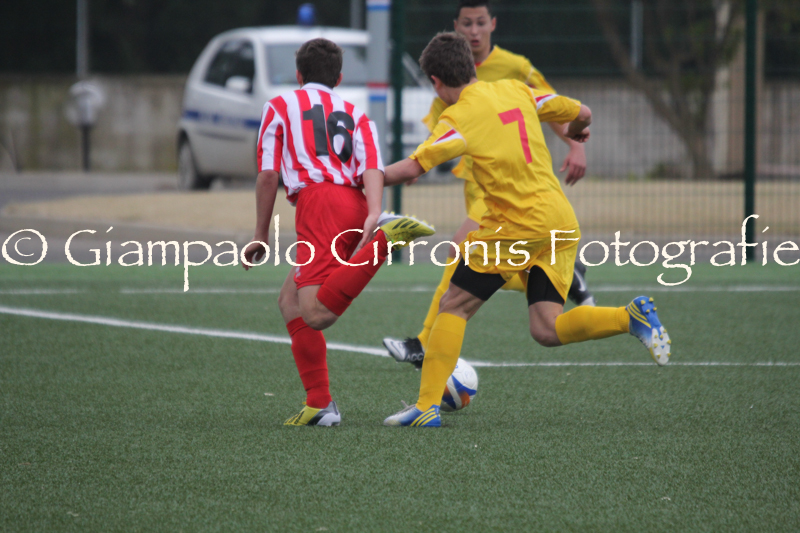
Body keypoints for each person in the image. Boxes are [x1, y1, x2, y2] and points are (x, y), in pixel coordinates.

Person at [381, 33, 671, 428]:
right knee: (546, 328)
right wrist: (577, 131)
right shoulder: (516, 90)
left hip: (518, 226)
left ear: (435, 81)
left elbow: (412, 167)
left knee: (453, 305)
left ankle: (426, 407)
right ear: (470, 64)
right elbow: (583, 111)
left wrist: (364, 177)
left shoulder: (457, 117)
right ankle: (629, 317)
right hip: (560, 220)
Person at [383, 0, 596, 369]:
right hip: (478, 183)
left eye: (480, 22)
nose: (474, 31)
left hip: (507, 187)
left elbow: (552, 107)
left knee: (460, 255)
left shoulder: (515, 69)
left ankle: (424, 344)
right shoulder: (448, 75)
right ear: (457, 26)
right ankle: (559, 276)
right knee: (482, 265)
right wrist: (418, 164)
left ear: (492, 24)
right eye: (467, 23)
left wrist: (574, 145)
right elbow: (438, 132)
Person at [242, 38, 434, 426]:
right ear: (339, 78)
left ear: (299, 75)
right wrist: (373, 210)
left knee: (315, 314)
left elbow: (268, 175)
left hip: (320, 206)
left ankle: (386, 240)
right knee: (290, 300)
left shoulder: (279, 105)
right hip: (354, 204)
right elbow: (372, 167)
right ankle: (320, 404)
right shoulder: (355, 113)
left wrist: (260, 235)